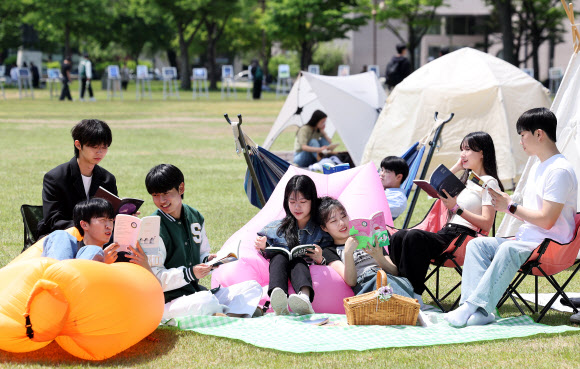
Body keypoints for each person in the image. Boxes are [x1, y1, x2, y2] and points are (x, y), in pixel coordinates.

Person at [445, 108, 577, 327]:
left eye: (523, 135)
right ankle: (481, 311)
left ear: (539, 134)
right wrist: (506, 205)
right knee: (477, 245)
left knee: (508, 248)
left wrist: (512, 207)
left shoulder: (559, 171)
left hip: (550, 246)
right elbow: (531, 213)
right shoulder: (538, 166)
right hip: (529, 240)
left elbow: (547, 221)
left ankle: (470, 306)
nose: (521, 141)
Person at [388, 131, 503, 305]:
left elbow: (487, 223)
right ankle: (399, 291)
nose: (462, 154)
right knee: (398, 236)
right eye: (461, 149)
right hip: (447, 232)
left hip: (463, 238)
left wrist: (457, 209)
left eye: (467, 149)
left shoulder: (489, 182)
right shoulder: (467, 179)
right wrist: (458, 166)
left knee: (414, 236)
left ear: (482, 153)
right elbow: (436, 184)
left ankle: (414, 297)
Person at [145, 164, 262, 320]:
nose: (161, 200)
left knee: (252, 287)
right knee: (206, 301)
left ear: (181, 188)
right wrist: (190, 273)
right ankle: (232, 313)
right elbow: (155, 279)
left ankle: (224, 314)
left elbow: (201, 254)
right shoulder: (151, 228)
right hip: (167, 302)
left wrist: (209, 261)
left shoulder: (195, 217)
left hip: (194, 293)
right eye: (155, 195)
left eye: (166, 193)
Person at [254, 175, 333, 315]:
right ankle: (279, 299)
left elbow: (331, 255)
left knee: (298, 261)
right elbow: (262, 244)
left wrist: (320, 258)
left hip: (305, 271)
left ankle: (304, 299)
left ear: (312, 201)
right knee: (278, 258)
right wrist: (263, 246)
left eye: (303, 201)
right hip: (281, 267)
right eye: (292, 201)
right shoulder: (277, 228)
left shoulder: (322, 231)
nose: (297, 207)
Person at [318, 197, 414, 297]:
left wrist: (378, 256)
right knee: (382, 284)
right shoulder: (329, 251)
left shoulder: (369, 237)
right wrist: (347, 253)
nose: (342, 223)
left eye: (344, 216)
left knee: (399, 281)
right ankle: (409, 305)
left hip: (387, 277)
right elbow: (351, 281)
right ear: (324, 228)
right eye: (334, 221)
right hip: (366, 284)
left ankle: (407, 305)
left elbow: (394, 271)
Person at [37, 119, 117, 238]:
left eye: (104, 147)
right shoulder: (55, 178)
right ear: (78, 145)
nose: (100, 152)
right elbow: (53, 221)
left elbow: (110, 216)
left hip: (100, 240)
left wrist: (124, 216)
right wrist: (87, 228)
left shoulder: (107, 179)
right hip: (64, 238)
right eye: (94, 146)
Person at [41, 198, 149, 271]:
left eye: (111, 220)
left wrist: (145, 264)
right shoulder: (68, 245)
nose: (109, 226)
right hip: (59, 285)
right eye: (102, 220)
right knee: (60, 235)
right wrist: (101, 263)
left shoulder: (114, 255)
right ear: (84, 225)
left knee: (93, 250)